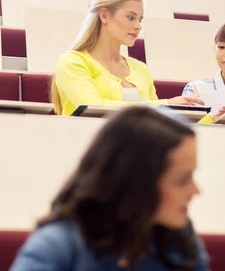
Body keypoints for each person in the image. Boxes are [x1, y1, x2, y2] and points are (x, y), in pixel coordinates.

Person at [10, 106, 209, 271]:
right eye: (183, 179)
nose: (197, 191)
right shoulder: (58, 245)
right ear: (136, 182)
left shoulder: (180, 239)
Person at [51, 0, 203, 116]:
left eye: (140, 19)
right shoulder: (72, 62)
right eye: (131, 18)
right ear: (104, 16)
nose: (138, 26)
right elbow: (92, 107)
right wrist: (164, 105)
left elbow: (154, 121)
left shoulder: (141, 69)